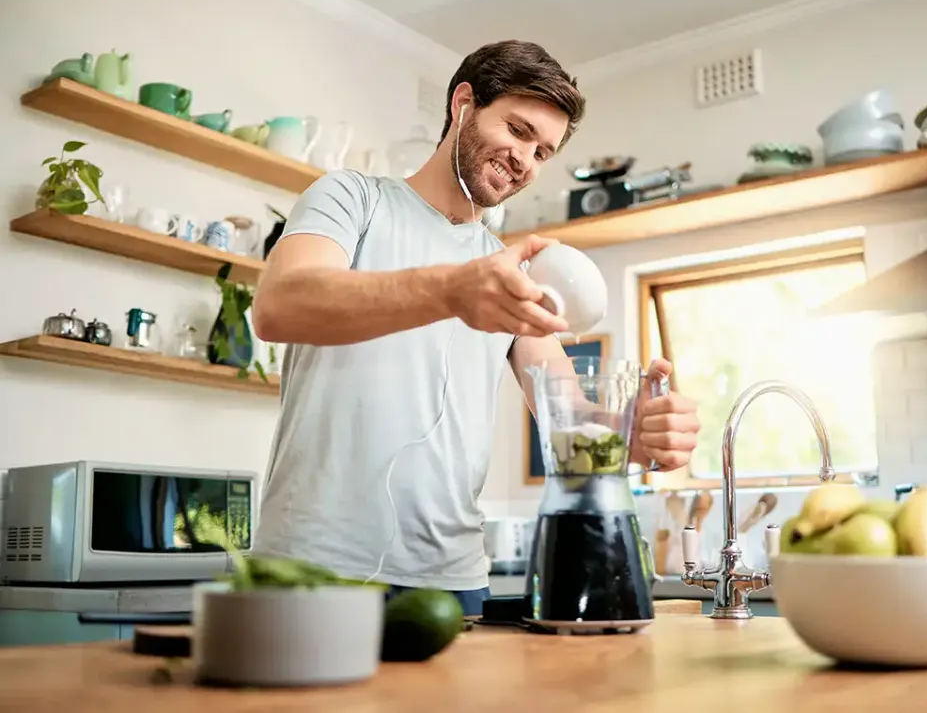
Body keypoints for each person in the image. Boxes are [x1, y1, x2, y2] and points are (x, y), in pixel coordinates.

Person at [249, 40, 701, 616]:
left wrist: (632, 436)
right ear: (463, 103)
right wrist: (450, 291)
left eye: (542, 152)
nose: (525, 161)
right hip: (310, 566)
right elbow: (280, 306)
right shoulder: (352, 198)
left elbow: (570, 422)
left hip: (452, 579)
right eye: (517, 131)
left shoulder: (513, 273)